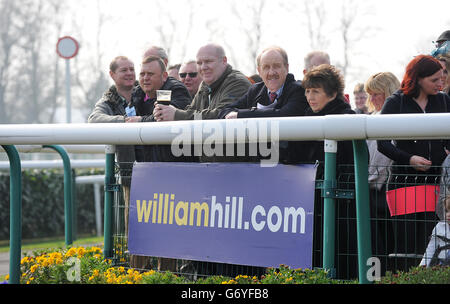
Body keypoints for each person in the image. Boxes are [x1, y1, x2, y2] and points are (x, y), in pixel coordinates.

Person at [377, 55, 450, 272]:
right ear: (418, 79)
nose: (441, 83)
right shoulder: (395, 102)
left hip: (435, 184)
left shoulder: (444, 101)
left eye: (442, 78)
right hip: (403, 184)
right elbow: (382, 143)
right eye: (435, 80)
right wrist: (409, 159)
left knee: (428, 244)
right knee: (405, 247)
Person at [286, 64, 357, 279]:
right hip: (310, 200)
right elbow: (293, 155)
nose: (310, 97)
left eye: (315, 91)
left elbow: (348, 162)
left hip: (341, 203)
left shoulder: (347, 118)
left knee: (340, 253)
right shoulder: (305, 118)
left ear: (333, 93)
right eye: (307, 91)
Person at [218, 46, 309, 164]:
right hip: (258, 166)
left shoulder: (299, 90)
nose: (271, 72)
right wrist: (232, 115)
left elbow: (284, 115)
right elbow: (225, 111)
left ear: (286, 68)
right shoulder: (255, 90)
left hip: (292, 166)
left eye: (276, 66)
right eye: (266, 67)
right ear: (259, 71)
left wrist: (241, 116)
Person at [87, 55, 137, 237]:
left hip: (158, 169)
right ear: (112, 74)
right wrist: (125, 121)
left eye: (132, 69)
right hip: (130, 174)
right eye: (124, 70)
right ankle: (135, 266)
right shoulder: (107, 102)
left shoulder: (147, 93)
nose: (130, 73)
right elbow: (94, 120)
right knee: (134, 229)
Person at [153, 43, 251, 122]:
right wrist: (165, 112)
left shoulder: (237, 82)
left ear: (224, 61)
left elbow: (221, 115)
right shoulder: (205, 84)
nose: (203, 67)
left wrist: (177, 115)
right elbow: (191, 112)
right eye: (199, 63)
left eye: (208, 61)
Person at [364, 72, 400, 274]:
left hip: (389, 190)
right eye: (369, 94)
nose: (371, 99)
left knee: (391, 245)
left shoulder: (394, 119)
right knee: (375, 248)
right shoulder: (369, 120)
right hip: (371, 192)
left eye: (376, 94)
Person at [128, 56, 192, 163]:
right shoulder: (137, 93)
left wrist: (140, 121)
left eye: (150, 74)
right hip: (146, 166)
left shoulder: (176, 89)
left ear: (164, 76)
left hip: (176, 165)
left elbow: (163, 117)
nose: (145, 78)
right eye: (142, 74)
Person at [419, 195, 450, 267]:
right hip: (442, 266)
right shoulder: (439, 227)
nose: (448, 214)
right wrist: (421, 269)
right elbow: (430, 250)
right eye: (446, 211)